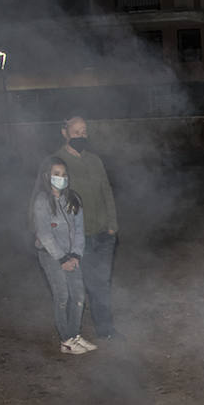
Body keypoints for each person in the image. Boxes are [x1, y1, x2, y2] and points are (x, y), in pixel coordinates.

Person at [53, 116, 118, 339]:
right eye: (76, 131)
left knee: (102, 282)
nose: (81, 135)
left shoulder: (95, 160)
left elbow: (106, 191)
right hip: (77, 237)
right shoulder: (57, 163)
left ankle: (105, 330)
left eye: (84, 131)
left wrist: (112, 225)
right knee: (76, 287)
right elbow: (47, 198)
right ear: (64, 132)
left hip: (103, 233)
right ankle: (71, 334)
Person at [30, 157, 95, 355]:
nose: (61, 178)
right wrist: (61, 259)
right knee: (63, 296)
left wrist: (76, 254)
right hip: (51, 256)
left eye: (64, 174)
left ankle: (74, 335)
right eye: (56, 174)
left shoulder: (73, 199)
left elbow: (78, 229)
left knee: (78, 295)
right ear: (47, 176)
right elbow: (45, 234)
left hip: (71, 255)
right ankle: (66, 340)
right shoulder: (42, 201)